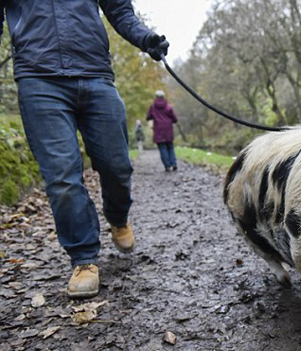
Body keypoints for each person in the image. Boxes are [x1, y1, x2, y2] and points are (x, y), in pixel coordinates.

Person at [0, 1, 170, 299]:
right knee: (62, 177)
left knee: (117, 165)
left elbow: (119, 11)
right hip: (38, 78)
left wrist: (146, 39)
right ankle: (84, 259)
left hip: (95, 74)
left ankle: (118, 218)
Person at [146, 90, 179, 172]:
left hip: (158, 130)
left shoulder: (153, 107)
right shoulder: (168, 107)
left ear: (156, 97)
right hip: (168, 130)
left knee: (162, 148)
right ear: (164, 97)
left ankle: (167, 166)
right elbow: (175, 119)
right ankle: (174, 164)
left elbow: (148, 117)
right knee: (170, 147)